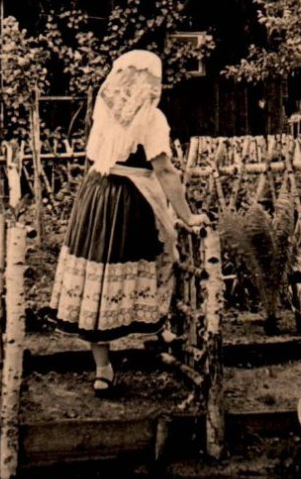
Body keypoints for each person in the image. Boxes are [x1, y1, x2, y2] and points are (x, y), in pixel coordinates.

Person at [50, 49, 208, 395]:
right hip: (131, 200)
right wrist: (186, 215)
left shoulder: (104, 111)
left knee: (100, 274)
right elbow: (164, 170)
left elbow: (95, 156)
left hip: (95, 194)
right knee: (159, 255)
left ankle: (105, 367)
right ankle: (156, 327)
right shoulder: (152, 119)